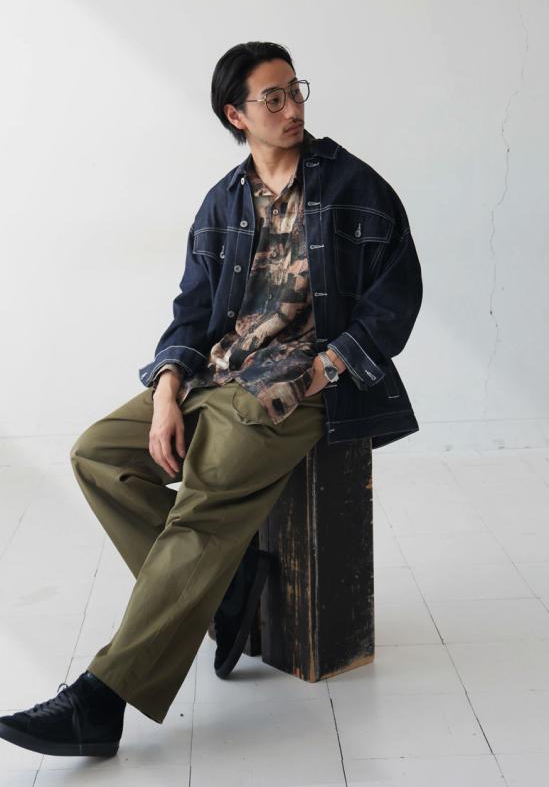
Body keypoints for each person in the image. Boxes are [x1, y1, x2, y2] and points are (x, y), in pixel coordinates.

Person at [0, 41, 423, 758]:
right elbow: (193, 309)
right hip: (219, 374)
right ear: (236, 114)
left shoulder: (354, 186)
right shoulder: (223, 201)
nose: (291, 108)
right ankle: (228, 586)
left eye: (295, 91)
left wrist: (326, 369)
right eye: (272, 98)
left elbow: (397, 296)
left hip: (298, 388)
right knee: (99, 455)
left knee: (208, 492)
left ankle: (103, 700)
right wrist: (167, 389)